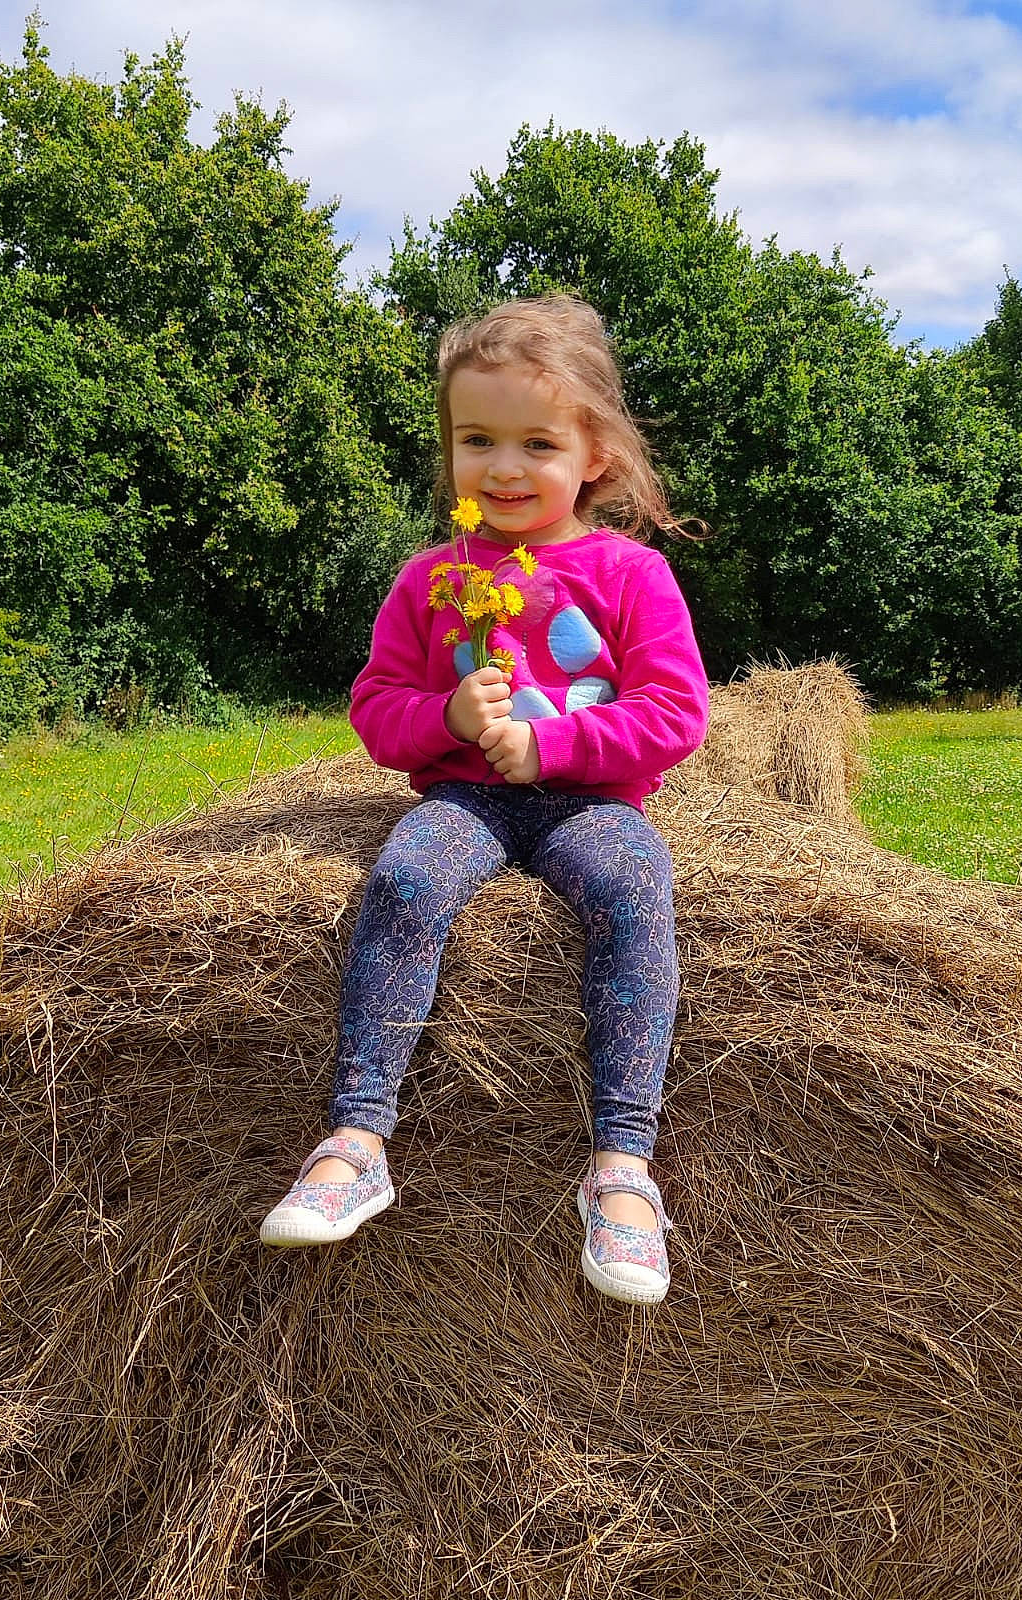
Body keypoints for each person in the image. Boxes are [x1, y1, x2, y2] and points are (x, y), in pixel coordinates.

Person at [260, 294, 709, 1306]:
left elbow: (676, 713)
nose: (503, 467)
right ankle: (358, 1134)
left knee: (636, 894)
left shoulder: (631, 576)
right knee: (407, 881)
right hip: (467, 800)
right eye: (476, 439)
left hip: (590, 804)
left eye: (536, 442)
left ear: (594, 452)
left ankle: (624, 1166)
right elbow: (376, 708)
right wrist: (454, 720)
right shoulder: (431, 580)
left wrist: (552, 742)